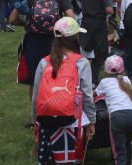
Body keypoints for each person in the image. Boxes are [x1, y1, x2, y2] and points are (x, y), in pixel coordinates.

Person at [31, 17, 96, 164]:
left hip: (46, 120)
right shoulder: (81, 62)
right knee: (69, 159)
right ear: (74, 38)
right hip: (72, 121)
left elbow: (36, 96)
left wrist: (35, 120)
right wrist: (92, 120)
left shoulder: (44, 62)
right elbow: (86, 96)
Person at [10, 0, 75, 99]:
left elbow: (12, 19)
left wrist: (25, 23)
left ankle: (35, 114)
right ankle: (52, 107)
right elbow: (71, 17)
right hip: (54, 41)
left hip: (33, 40)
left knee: (34, 78)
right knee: (55, 74)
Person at [95, 55, 132, 165]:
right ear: (122, 69)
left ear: (106, 69)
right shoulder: (126, 79)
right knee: (127, 143)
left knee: (119, 149)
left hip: (117, 116)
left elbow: (93, 95)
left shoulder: (104, 82)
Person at [77, 0, 114, 85]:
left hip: (85, 21)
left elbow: (80, 1)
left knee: (85, 49)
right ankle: (93, 79)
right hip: (99, 23)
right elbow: (109, 9)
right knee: (99, 52)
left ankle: (82, 76)